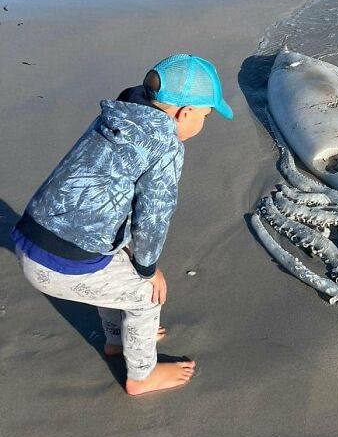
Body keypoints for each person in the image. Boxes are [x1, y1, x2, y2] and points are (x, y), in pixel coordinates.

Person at [11, 54, 233, 396]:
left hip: (30, 235)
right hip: (59, 264)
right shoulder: (166, 144)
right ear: (184, 113)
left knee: (118, 261)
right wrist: (148, 269)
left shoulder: (119, 113)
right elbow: (154, 214)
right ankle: (142, 375)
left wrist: (131, 256)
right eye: (205, 116)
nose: (202, 123)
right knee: (147, 295)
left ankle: (117, 341)